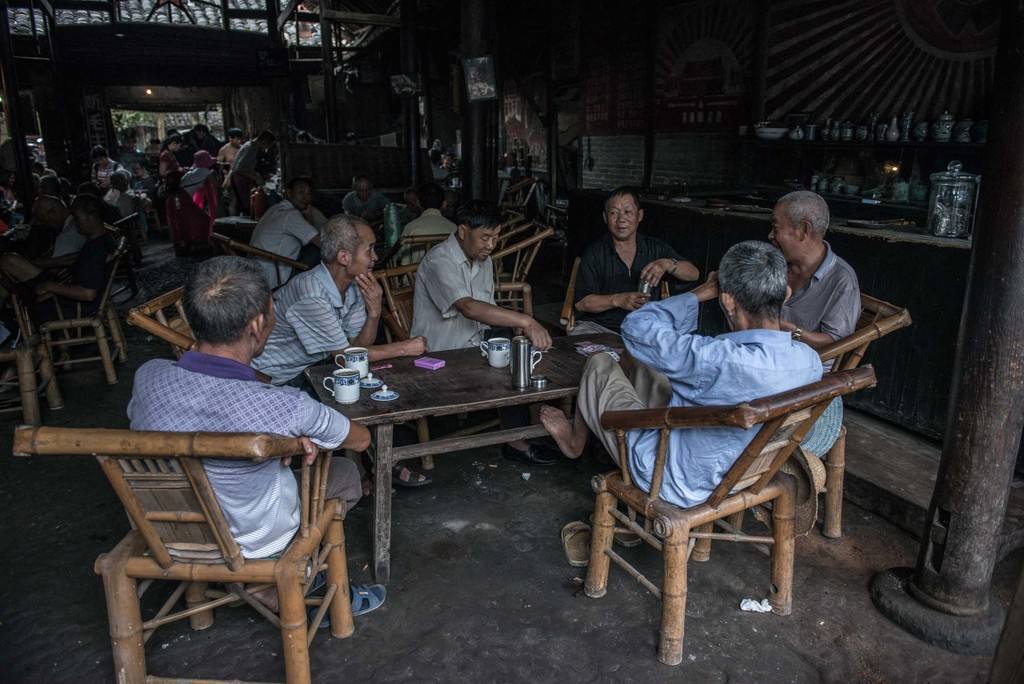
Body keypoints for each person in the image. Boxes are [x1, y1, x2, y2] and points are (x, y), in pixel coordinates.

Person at [127, 257, 385, 615]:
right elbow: (359, 440)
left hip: (165, 530)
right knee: (345, 474)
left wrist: (289, 442)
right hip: (252, 545)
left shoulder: (149, 376)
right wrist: (298, 442)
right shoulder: (285, 406)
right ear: (258, 323)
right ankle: (275, 583)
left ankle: (243, 586)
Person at [539, 241, 823, 507]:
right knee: (647, 368)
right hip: (741, 474)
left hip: (673, 480)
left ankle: (575, 442)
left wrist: (699, 292)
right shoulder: (810, 362)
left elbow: (635, 325)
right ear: (785, 294)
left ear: (728, 302)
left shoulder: (712, 357)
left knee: (600, 362)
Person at [411, 200, 554, 466]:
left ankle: (528, 431)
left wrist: (515, 328)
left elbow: (486, 309)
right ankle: (518, 439)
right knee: (513, 359)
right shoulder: (439, 261)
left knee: (521, 352)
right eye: (485, 238)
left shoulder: (482, 260)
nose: (491, 245)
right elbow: (468, 307)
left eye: (496, 238)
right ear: (463, 231)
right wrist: (525, 320)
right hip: (443, 353)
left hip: (475, 344)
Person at [253, 213, 427, 387]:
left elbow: (356, 347)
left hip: (307, 369)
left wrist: (374, 312)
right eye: (369, 249)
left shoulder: (353, 285)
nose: (375, 257)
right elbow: (345, 358)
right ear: (344, 257)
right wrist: (404, 348)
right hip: (273, 378)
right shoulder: (311, 293)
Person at [768, 190, 861, 457]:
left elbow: (838, 343)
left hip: (807, 379)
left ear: (803, 231)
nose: (770, 236)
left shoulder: (842, 279)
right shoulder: (777, 264)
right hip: (769, 364)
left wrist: (788, 329)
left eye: (776, 227)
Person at [573, 187, 699, 334]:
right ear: (605, 218)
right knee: (583, 346)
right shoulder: (595, 252)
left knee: (670, 347)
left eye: (628, 212)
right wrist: (618, 300)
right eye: (614, 213)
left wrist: (667, 264)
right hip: (600, 328)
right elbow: (582, 303)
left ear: (639, 215)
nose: (621, 219)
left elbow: (694, 274)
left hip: (645, 328)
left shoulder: (655, 248)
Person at [0, 193, 117, 317]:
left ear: (91, 217)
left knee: (18, 297)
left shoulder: (95, 248)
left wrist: (50, 286)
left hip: (75, 307)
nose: (75, 223)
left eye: (77, 218)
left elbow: (88, 293)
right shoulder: (101, 239)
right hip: (77, 300)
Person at [249, 176, 322, 288]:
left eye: (308, 194)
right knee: (319, 250)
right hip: (275, 275)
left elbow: (310, 232)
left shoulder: (275, 208)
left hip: (259, 270)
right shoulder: (290, 215)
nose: (305, 198)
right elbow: (320, 242)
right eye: (301, 192)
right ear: (289, 193)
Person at [396, 182, 456, 265]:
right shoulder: (454, 228)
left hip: (415, 277)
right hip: (450, 277)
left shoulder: (410, 228)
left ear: (418, 203)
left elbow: (401, 257)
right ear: (444, 204)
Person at [228, 130, 275, 216]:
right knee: (245, 205)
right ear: (264, 141)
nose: (266, 148)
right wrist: (256, 177)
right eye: (268, 145)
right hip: (239, 178)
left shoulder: (253, 147)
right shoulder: (249, 148)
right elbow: (239, 168)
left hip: (244, 178)